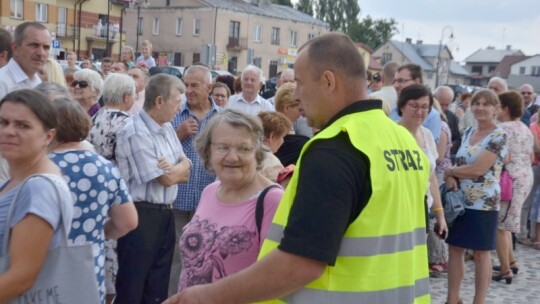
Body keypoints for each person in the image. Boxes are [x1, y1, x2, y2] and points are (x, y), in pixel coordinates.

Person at [165, 32, 430, 304]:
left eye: (301, 84)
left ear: (328, 81)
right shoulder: (403, 142)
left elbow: (300, 264)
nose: (297, 95)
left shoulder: (336, 147)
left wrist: (204, 297)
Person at [178, 109, 283, 291]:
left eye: (243, 148)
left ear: (257, 153)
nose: (232, 157)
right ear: (208, 151)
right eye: (223, 147)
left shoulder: (272, 200)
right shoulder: (210, 191)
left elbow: (276, 277)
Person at [49, 98, 138, 304]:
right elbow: (128, 221)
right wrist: (97, 232)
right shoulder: (104, 167)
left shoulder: (41, 166)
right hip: (89, 270)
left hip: (46, 272)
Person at [115, 74, 191, 303]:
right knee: (133, 285)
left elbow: (187, 165)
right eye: (177, 101)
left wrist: (175, 169)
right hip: (141, 215)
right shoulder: (135, 131)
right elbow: (165, 179)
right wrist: (175, 171)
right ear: (159, 101)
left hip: (165, 213)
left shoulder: (167, 128)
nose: (180, 107)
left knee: (157, 285)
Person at [0, 89, 73, 301]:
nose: (9, 131)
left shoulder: (39, 188)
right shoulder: (19, 180)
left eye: (23, 125)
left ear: (48, 136)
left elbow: (22, 277)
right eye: (3, 122)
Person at [444, 89, 508, 304]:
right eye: (476, 103)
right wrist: (452, 176)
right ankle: (452, 299)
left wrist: (451, 172)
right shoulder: (469, 131)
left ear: (495, 109)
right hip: (461, 201)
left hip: (484, 203)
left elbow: (478, 168)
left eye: (486, 104)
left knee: (481, 254)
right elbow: (460, 162)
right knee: (455, 249)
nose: (480, 107)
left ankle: (478, 301)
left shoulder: (499, 135)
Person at [169, 65, 221, 295]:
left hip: (211, 202)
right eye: (185, 84)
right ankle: (175, 299)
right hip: (179, 199)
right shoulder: (174, 114)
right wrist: (177, 134)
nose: (188, 90)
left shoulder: (221, 117)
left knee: (208, 257)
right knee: (177, 257)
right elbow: (158, 154)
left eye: (194, 85)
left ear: (209, 87)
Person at [396, 84, 449, 277]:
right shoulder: (393, 133)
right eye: (414, 105)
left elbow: (431, 177)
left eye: (425, 107)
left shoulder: (426, 134)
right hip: (399, 209)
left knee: (415, 265)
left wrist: (440, 214)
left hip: (422, 208)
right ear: (402, 106)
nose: (420, 111)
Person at [492, 90, 533, 284]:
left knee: (500, 225)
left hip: (510, 180)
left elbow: (503, 157)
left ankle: (505, 270)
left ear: (505, 108)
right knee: (507, 224)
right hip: (525, 177)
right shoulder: (525, 128)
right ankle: (511, 261)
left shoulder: (503, 128)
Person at [88, 73, 135, 161]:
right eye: (133, 94)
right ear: (126, 97)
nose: (135, 97)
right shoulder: (128, 122)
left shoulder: (95, 116)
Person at [390, 63, 442, 143]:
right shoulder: (394, 110)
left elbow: (432, 151)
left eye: (401, 81)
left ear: (417, 81)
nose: (396, 85)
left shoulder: (432, 116)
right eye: (395, 81)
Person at [0, 22, 51, 99]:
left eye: (46, 47)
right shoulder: (2, 82)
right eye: (34, 45)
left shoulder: (37, 82)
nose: (41, 53)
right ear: (15, 48)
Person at [274, 83, 310, 167]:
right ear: (286, 108)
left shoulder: (265, 133)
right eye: (299, 109)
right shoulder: (300, 144)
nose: (301, 113)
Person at [257, 111, 291, 182]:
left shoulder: (243, 151)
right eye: (282, 137)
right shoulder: (273, 165)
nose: (283, 141)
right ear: (271, 137)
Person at [434, 86, 461, 156]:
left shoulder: (452, 117)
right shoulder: (426, 114)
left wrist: (449, 146)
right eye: (441, 104)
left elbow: (457, 139)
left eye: (447, 105)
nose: (443, 108)